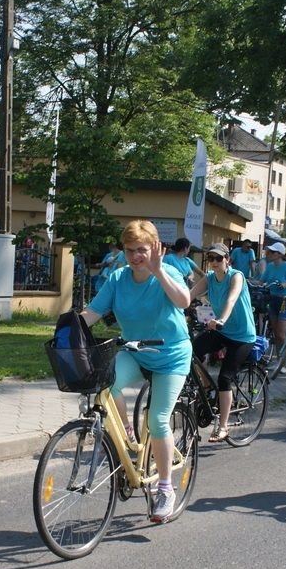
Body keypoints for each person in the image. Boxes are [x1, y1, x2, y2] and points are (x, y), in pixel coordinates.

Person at [79, 220, 192, 523]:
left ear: (156, 248)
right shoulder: (118, 278)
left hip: (171, 356)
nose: (135, 256)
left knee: (157, 419)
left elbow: (184, 301)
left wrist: (158, 271)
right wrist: (68, 329)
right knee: (105, 384)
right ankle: (126, 435)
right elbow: (93, 312)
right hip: (138, 352)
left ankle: (165, 489)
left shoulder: (168, 272)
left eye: (141, 250)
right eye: (130, 250)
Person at [189, 243, 256, 442]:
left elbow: (231, 299)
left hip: (242, 336)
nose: (214, 262)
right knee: (192, 350)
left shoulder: (236, 276)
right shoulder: (208, 279)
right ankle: (206, 387)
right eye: (211, 258)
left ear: (228, 259)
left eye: (219, 258)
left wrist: (221, 320)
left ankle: (224, 426)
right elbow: (188, 296)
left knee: (225, 378)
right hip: (222, 331)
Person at [255, 241, 286, 371]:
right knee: (276, 333)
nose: (269, 254)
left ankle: (284, 361)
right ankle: (279, 360)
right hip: (273, 300)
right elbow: (261, 281)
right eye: (269, 251)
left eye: (272, 252)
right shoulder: (269, 266)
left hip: (285, 301)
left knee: (281, 334)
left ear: (280, 254)